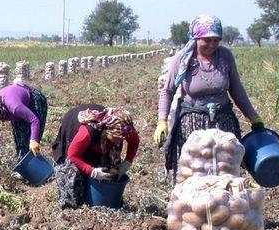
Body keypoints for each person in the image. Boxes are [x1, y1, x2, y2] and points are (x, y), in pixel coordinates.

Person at [153, 14, 264, 181]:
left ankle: (223, 205)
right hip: (192, 124)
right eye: (207, 40)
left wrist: (253, 117)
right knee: (194, 172)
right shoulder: (183, 59)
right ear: (196, 38)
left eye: (216, 40)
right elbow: (167, 90)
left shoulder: (225, 56)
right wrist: (162, 121)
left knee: (224, 170)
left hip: (223, 123)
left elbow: (237, 89)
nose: (212, 45)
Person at [52, 104, 140, 208]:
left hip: (98, 139)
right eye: (116, 137)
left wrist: (127, 162)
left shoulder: (124, 127)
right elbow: (73, 154)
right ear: (107, 130)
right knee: (73, 172)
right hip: (73, 133)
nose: (120, 141)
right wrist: (92, 172)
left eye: (123, 138)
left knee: (110, 168)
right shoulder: (88, 131)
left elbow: (134, 142)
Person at [0, 83, 47, 164]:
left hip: (34, 101)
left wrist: (33, 140)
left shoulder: (14, 107)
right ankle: (24, 165)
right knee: (20, 139)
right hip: (16, 106)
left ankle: (37, 166)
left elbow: (34, 120)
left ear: (0, 112)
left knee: (33, 138)